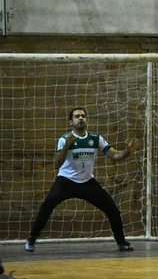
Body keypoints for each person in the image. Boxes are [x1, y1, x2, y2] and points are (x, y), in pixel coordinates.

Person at [24, 107, 138, 253]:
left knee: (112, 209)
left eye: (83, 116)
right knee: (47, 205)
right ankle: (32, 239)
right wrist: (66, 147)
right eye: (77, 116)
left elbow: (115, 155)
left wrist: (127, 151)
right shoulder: (65, 139)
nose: (81, 118)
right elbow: (57, 164)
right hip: (66, 180)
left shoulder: (95, 139)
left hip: (87, 182)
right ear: (71, 121)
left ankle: (121, 242)